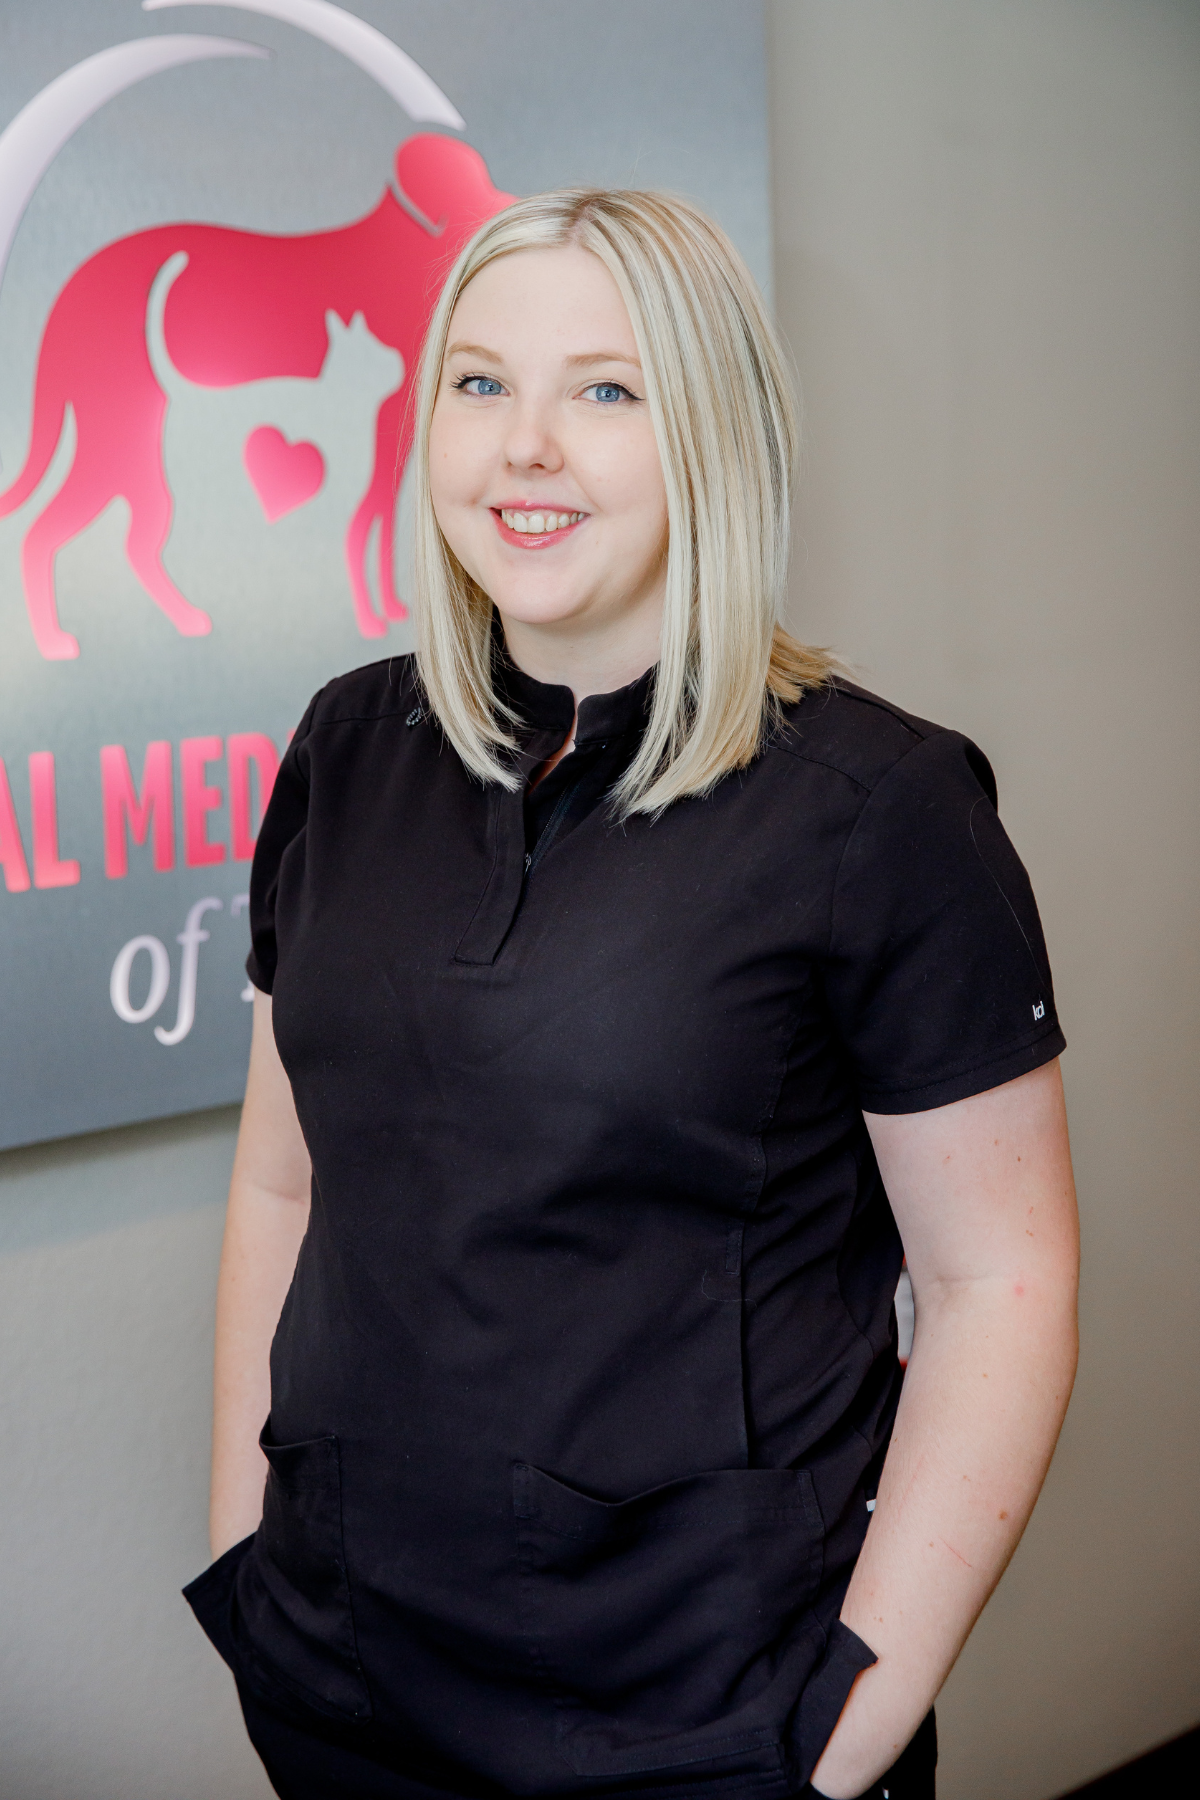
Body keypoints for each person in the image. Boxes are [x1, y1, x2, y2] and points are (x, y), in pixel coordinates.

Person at [184, 187, 1079, 1800]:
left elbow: (999, 1285)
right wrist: (244, 1548)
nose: (524, 444)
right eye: (478, 382)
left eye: (606, 389)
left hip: (708, 1714)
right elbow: (280, 1175)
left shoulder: (881, 806)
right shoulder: (343, 746)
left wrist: (851, 1719)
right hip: (346, 1672)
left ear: (714, 432)